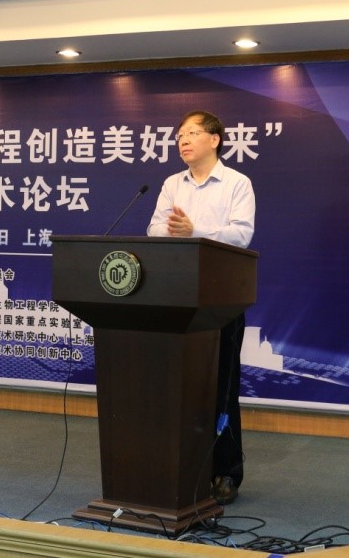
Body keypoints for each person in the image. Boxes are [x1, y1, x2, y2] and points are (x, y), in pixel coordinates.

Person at [146, 110, 256, 505]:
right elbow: (154, 228)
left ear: (214, 139)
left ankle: (226, 471)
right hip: (176, 298)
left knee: (221, 387)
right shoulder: (172, 184)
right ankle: (182, 467)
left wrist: (195, 231)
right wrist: (173, 231)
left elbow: (241, 235)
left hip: (220, 300)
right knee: (179, 386)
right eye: (179, 135)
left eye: (192, 133)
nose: (183, 141)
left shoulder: (237, 183)